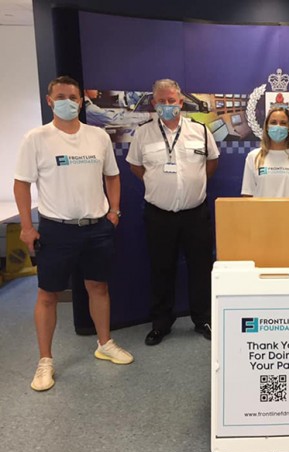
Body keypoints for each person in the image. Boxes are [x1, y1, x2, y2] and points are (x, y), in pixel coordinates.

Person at [13, 75, 134, 392]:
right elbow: (21, 184)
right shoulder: (36, 138)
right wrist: (27, 227)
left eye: (73, 97)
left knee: (99, 287)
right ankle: (45, 360)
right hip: (57, 230)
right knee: (47, 295)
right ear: (50, 101)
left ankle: (104, 343)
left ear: (81, 101)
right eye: (61, 97)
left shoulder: (98, 136)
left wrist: (114, 211)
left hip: (97, 228)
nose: (68, 102)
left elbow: (112, 176)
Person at [126, 79, 219, 345]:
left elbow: (211, 163)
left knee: (201, 269)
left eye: (172, 101)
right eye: (162, 101)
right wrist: (159, 184)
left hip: (195, 214)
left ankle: (203, 319)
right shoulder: (143, 133)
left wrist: (193, 184)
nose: (167, 105)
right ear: (154, 103)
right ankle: (161, 323)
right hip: (159, 215)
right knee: (161, 269)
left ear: (180, 102)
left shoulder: (200, 131)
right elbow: (136, 167)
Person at [241, 107, 289, 197]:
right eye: (273, 122)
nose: (278, 126)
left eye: (283, 123)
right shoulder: (253, 157)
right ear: (267, 127)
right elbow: (247, 196)